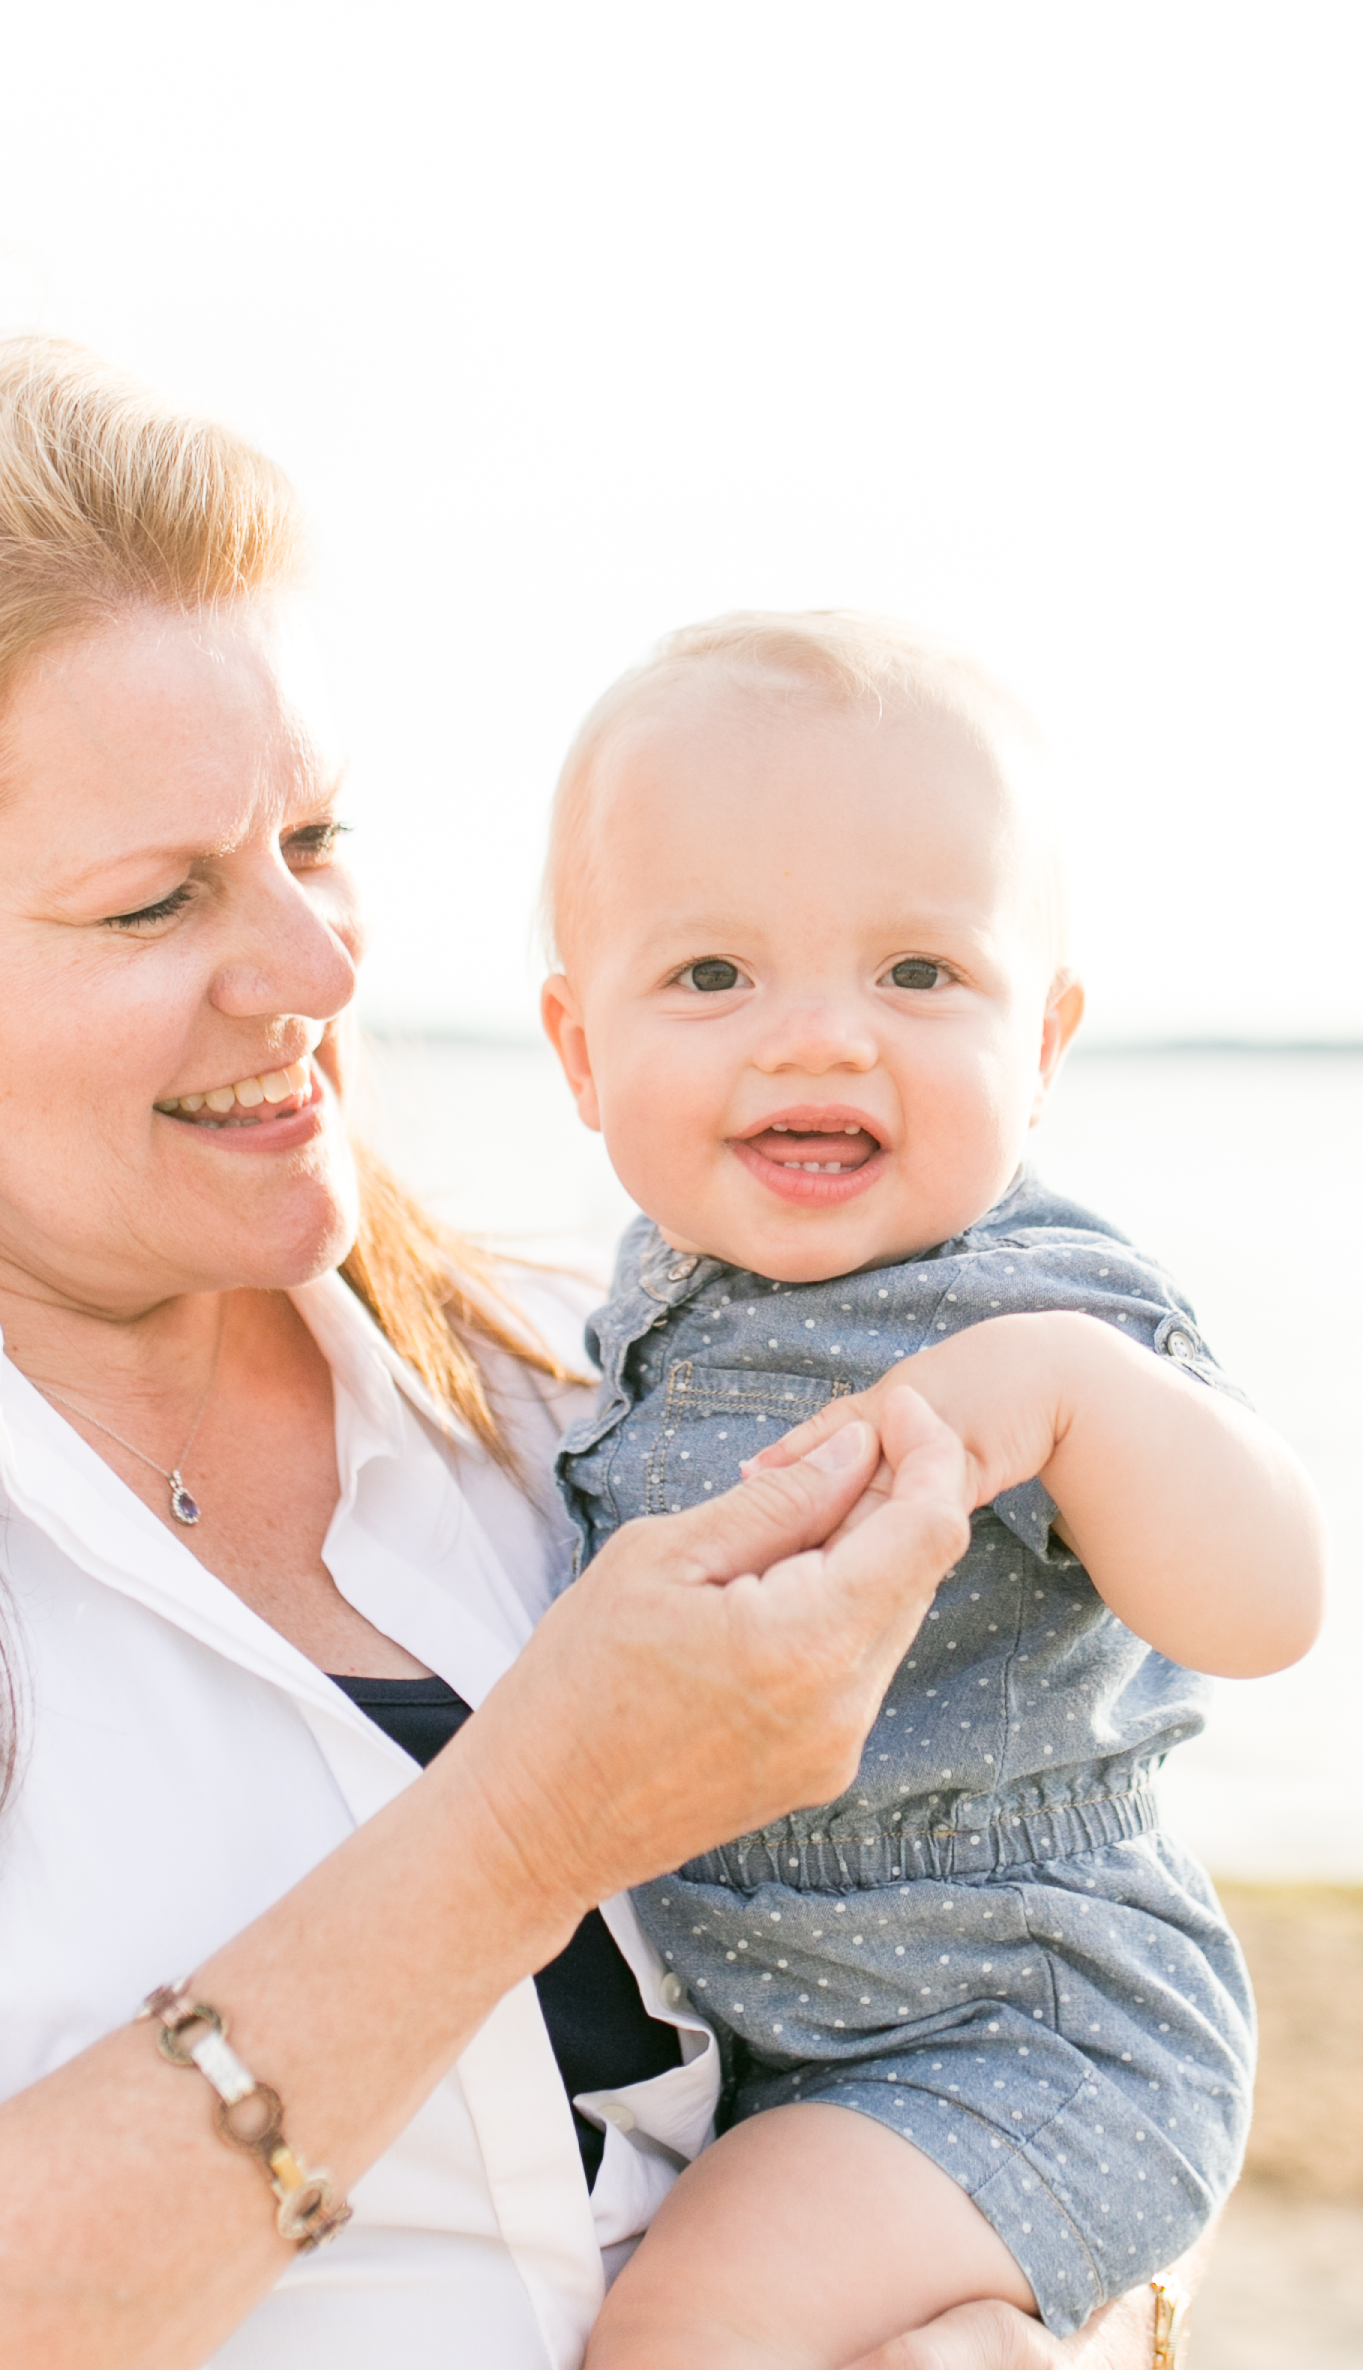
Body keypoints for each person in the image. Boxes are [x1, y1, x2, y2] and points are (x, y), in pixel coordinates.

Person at [0, 335, 1201, 2370]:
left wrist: (1027, 2323)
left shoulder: (607, 1396)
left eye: (318, 839)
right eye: (149, 903)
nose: (320, 966)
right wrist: (524, 1826)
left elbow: (1031, 2006)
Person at [539, 611, 1327, 2367]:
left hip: (1020, 2028)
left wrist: (1071, 1399)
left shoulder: (1040, 1301)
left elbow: (1270, 1601)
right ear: (578, 1053)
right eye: (713, 976)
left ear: (1042, 1041)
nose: (818, 1040)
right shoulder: (651, 1297)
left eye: (916, 975)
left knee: (686, 2333)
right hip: (781, 2032)